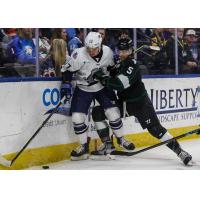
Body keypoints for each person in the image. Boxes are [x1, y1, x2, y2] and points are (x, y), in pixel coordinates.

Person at [92, 38, 192, 166]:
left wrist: (101, 76)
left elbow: (118, 84)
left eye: (126, 51)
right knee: (97, 112)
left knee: (156, 130)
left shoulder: (132, 66)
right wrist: (110, 69)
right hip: (124, 104)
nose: (122, 53)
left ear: (131, 51)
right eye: (120, 50)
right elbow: (113, 73)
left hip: (140, 104)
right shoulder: (120, 63)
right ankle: (107, 144)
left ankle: (180, 152)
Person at [60, 32, 134, 161]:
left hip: (102, 87)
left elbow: (112, 69)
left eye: (94, 48)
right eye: (89, 48)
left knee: (113, 113)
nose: (91, 51)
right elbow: (67, 70)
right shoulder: (78, 54)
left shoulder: (108, 52)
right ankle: (83, 146)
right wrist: (66, 84)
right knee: (77, 118)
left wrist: (116, 68)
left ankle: (121, 139)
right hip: (83, 88)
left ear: (100, 45)